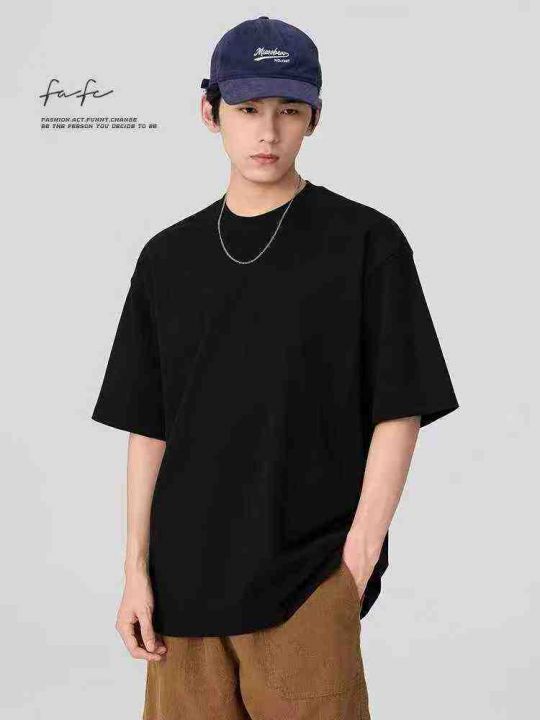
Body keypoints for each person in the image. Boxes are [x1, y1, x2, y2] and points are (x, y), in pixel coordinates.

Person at [91, 15, 459, 720]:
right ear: (210, 112)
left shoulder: (365, 243)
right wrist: (135, 571)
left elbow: (400, 407)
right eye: (247, 108)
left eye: (289, 110)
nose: (267, 132)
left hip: (307, 582)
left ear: (314, 118)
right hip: (181, 591)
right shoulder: (167, 259)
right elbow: (149, 426)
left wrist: (356, 560)